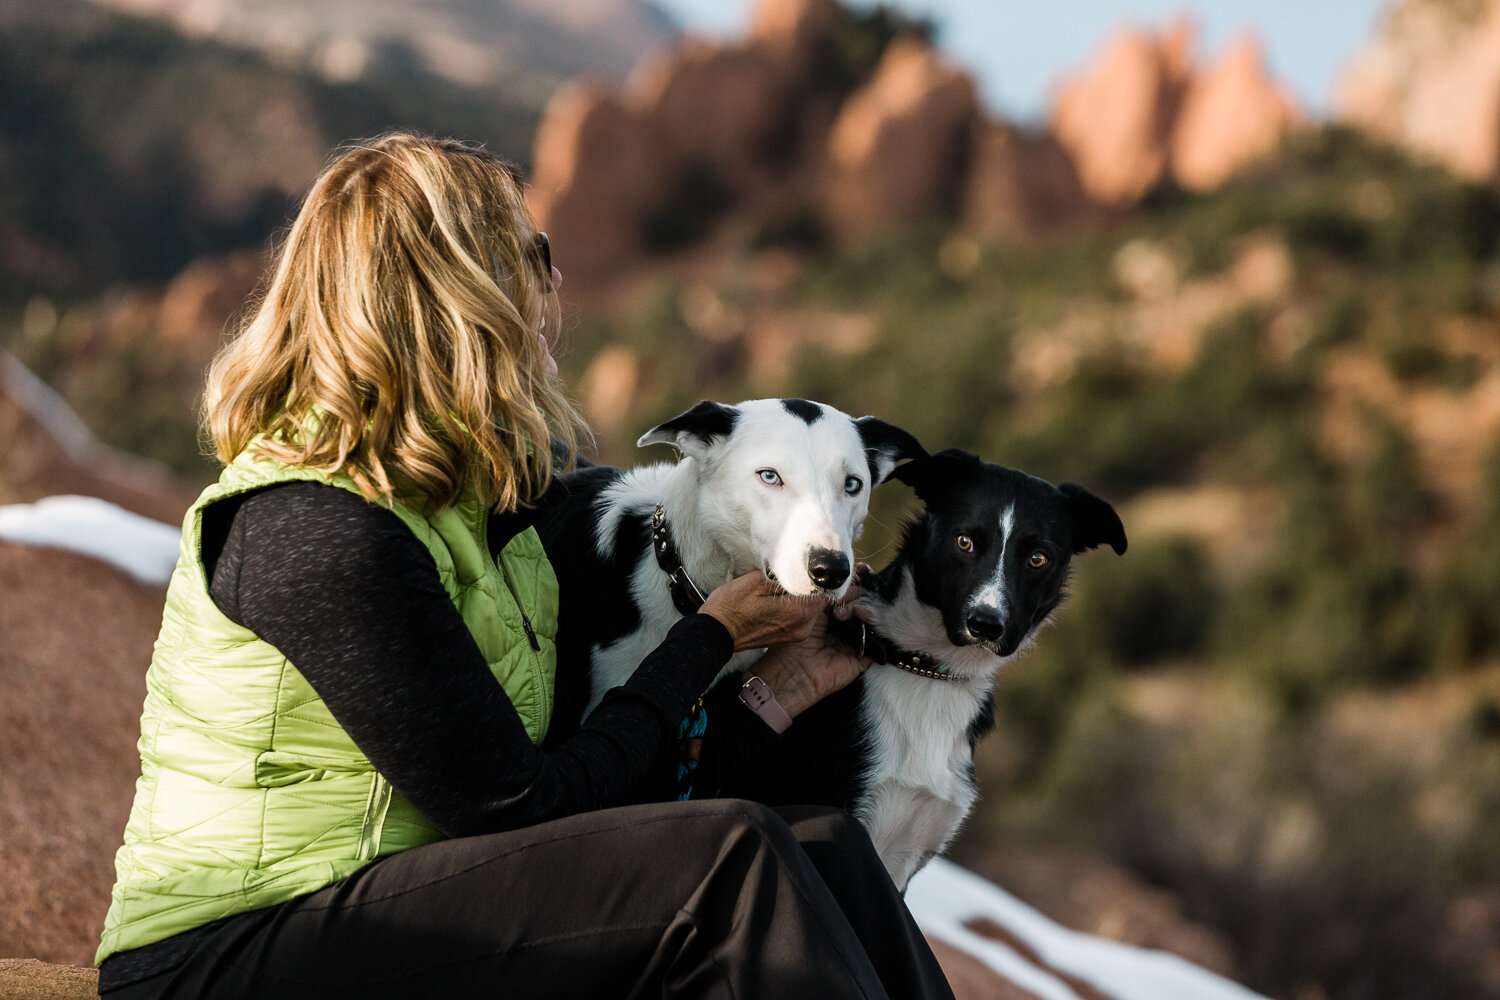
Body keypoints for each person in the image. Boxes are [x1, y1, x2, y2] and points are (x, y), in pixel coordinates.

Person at [94, 133, 955, 999]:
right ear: (449, 297)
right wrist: (707, 639)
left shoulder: (482, 511)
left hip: (392, 914)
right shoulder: (318, 533)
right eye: (528, 256)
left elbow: (609, 788)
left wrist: (786, 686)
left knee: (826, 851)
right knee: (734, 864)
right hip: (224, 952)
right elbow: (523, 806)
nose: (550, 284)